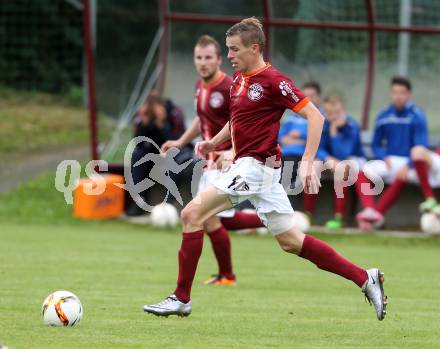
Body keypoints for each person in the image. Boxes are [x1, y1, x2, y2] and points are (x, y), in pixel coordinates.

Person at [143, 17, 387, 321]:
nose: (228, 55)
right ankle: (365, 277)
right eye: (228, 50)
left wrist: (308, 162)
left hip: (256, 168)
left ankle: (181, 298)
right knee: (291, 242)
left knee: (192, 214)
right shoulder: (239, 80)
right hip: (257, 169)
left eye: (234, 50)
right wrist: (213, 143)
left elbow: (316, 117)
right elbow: (237, 121)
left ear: (254, 48)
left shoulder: (274, 81)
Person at [161, 35, 263, 286]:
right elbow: (201, 119)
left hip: (228, 161)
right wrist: (180, 141)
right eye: (199, 57)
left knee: (209, 218)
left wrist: (232, 152)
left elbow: (242, 121)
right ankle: (227, 273)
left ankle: (230, 271)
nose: (203, 63)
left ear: (219, 60)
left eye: (208, 58)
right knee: (209, 219)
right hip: (209, 161)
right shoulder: (201, 86)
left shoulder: (229, 87)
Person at [356, 76, 439, 229]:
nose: (398, 96)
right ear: (390, 93)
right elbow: (376, 144)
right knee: (362, 172)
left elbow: (421, 145)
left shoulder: (417, 115)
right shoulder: (383, 115)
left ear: (409, 95)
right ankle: (369, 210)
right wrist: (383, 156)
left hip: (413, 164)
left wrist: (409, 165)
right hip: (391, 161)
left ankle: (376, 216)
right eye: (395, 92)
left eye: (402, 92)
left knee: (402, 175)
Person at [126, 93, 192, 216]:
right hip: (154, 151)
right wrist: (144, 124)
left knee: (173, 160)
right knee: (137, 155)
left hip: (175, 151)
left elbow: (179, 140)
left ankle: (168, 205)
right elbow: (138, 143)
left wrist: (162, 125)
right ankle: (139, 201)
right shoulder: (143, 115)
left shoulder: (175, 113)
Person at [278, 81, 325, 221]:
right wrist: (301, 140)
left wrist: (298, 139)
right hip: (284, 155)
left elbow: (317, 140)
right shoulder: (291, 118)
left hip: (305, 157)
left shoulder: (320, 117)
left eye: (312, 95)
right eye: (305, 95)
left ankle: (299, 215)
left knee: (294, 175)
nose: (308, 99)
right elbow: (281, 139)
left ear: (318, 97)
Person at [318, 94, 365, 229]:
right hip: (332, 160)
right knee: (312, 167)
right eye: (329, 112)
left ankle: (339, 217)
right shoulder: (323, 123)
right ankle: (307, 215)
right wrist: (328, 159)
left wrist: (334, 134)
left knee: (341, 169)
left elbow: (344, 153)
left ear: (343, 109)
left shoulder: (352, 125)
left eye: (336, 112)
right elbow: (318, 148)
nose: (333, 116)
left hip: (353, 160)